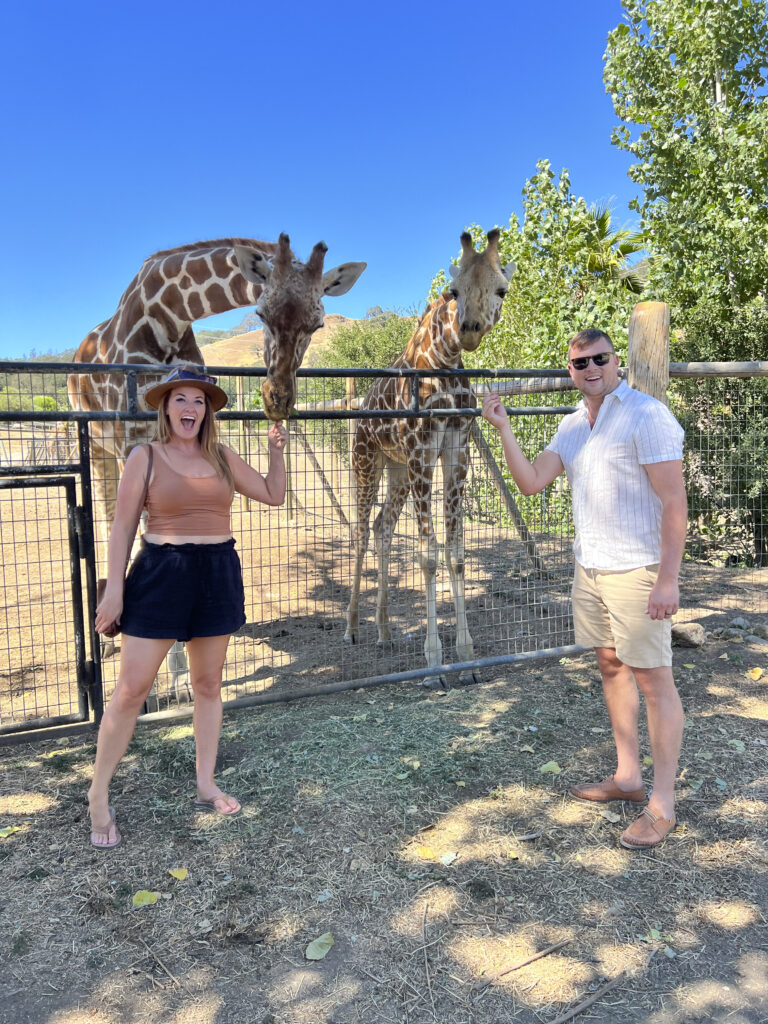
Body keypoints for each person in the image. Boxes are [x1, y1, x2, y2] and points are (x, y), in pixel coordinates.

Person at [482, 329, 687, 849]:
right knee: (611, 667)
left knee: (655, 684)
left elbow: (674, 503)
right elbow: (531, 482)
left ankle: (662, 806)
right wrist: (504, 427)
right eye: (580, 362)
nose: (591, 368)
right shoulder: (572, 425)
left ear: (616, 361)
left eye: (600, 358)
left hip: (636, 571)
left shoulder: (646, 414)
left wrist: (667, 579)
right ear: (570, 370)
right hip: (590, 569)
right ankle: (627, 778)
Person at [89, 364, 288, 850]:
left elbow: (273, 494)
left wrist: (276, 454)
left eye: (199, 400)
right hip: (161, 572)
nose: (191, 408)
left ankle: (205, 784)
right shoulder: (146, 456)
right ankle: (97, 793)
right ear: (165, 407)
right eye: (181, 399)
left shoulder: (220, 455)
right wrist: (115, 589)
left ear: (207, 411)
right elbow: (121, 528)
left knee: (208, 684)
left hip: (217, 570)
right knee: (132, 690)